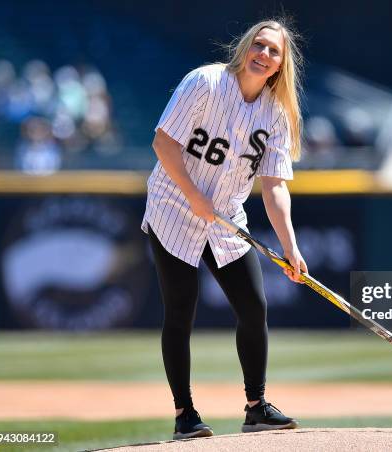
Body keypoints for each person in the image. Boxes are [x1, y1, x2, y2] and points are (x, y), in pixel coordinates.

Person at [141, 19, 308, 439]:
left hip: (227, 218)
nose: (264, 55)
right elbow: (163, 143)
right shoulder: (206, 82)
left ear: (280, 66)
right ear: (245, 47)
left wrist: (291, 246)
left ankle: (256, 407)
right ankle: (185, 415)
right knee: (181, 309)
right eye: (259, 45)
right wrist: (194, 194)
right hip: (173, 206)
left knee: (253, 306)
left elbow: (273, 188)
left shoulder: (276, 113)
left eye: (274, 52)